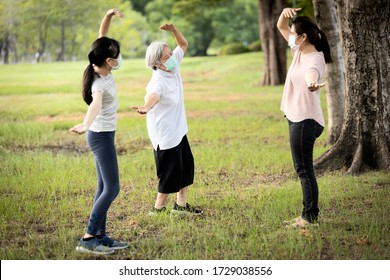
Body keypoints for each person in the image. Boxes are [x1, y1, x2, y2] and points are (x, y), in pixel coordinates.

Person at [69, 8, 128, 254]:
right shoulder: (100, 84)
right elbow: (95, 104)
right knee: (112, 188)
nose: (119, 58)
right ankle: (88, 238)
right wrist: (84, 123)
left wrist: (107, 15)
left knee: (103, 187)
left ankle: (101, 236)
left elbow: (102, 36)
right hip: (100, 136)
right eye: (117, 56)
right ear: (108, 61)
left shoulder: (100, 65)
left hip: (104, 135)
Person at [132, 23, 202, 216]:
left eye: (170, 54)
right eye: (166, 57)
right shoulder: (157, 81)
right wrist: (146, 106)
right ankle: (158, 209)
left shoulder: (174, 65)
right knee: (169, 173)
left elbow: (184, 44)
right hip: (165, 134)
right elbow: (153, 96)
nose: (171, 58)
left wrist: (173, 30)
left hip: (179, 129)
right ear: (156, 63)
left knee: (186, 167)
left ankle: (180, 206)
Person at [276, 8, 333, 228]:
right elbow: (281, 26)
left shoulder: (315, 60)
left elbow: (312, 75)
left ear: (304, 37)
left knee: (304, 170)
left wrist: (312, 84)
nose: (291, 36)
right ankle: (307, 214)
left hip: (306, 121)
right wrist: (284, 13)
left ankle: (309, 217)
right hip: (296, 117)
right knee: (302, 169)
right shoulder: (298, 49)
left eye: (294, 33)